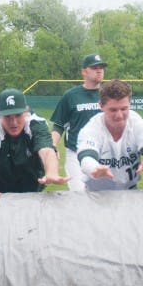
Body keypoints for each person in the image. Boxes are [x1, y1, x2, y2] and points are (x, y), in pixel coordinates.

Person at [0, 88, 67, 197]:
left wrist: (52, 172)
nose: (13, 122)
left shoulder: (36, 123)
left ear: (26, 111)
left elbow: (46, 150)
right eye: (7, 116)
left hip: (31, 184)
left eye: (18, 115)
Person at [76, 79, 143, 191]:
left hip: (130, 194)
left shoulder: (138, 124)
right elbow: (86, 158)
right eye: (113, 110)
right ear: (101, 106)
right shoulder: (91, 129)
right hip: (97, 196)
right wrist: (94, 168)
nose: (119, 115)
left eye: (124, 109)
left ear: (130, 105)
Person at [50, 54, 106, 191]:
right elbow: (58, 125)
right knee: (79, 196)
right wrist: (52, 145)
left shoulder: (108, 94)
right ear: (84, 71)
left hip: (104, 153)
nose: (99, 71)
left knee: (105, 197)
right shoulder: (71, 96)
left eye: (101, 68)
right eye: (94, 67)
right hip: (76, 154)